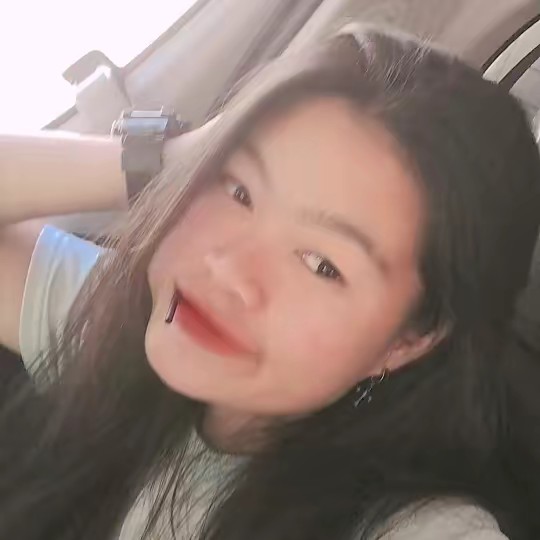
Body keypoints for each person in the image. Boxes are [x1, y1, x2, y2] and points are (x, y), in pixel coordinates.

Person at [1, 23, 540, 540]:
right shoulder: (120, 331)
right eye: (238, 191)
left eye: (322, 264)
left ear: (407, 340)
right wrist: (168, 158)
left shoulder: (414, 526)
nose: (228, 270)